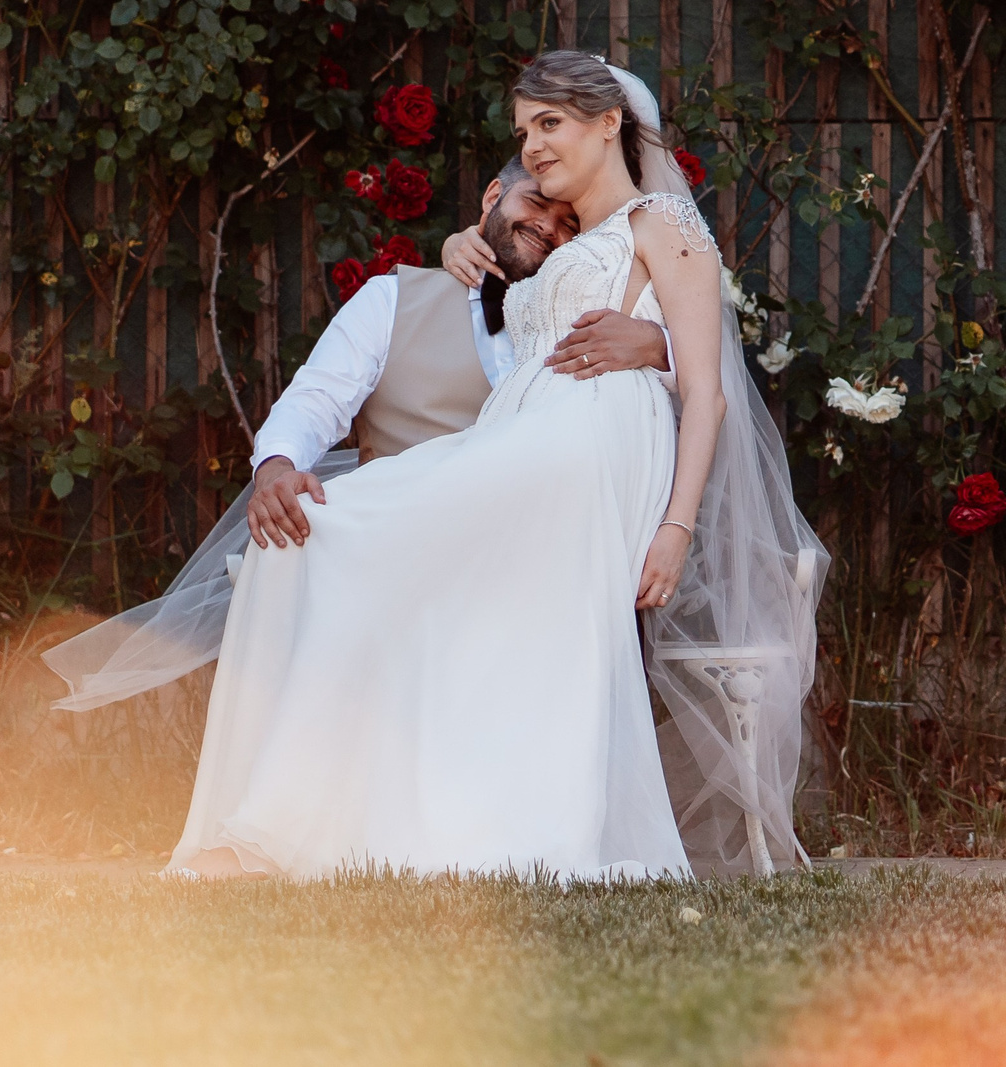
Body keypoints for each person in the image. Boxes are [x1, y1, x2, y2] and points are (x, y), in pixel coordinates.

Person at [76, 53, 823, 880]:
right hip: (524, 436)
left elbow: (709, 390)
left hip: (586, 444)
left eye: (550, 123)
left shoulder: (663, 222)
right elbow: (529, 305)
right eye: (524, 131)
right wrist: (466, 240)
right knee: (319, 534)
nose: (534, 144)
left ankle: (284, 832)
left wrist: (674, 519)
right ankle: (307, 830)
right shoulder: (560, 238)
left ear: (611, 121)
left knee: (346, 527)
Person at [43, 158, 674, 706]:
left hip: (527, 581)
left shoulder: (592, 325)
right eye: (536, 203)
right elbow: (314, 400)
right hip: (399, 569)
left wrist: (657, 345)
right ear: (492, 197)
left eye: (570, 225)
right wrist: (277, 467)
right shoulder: (392, 300)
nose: (549, 228)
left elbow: (661, 405)